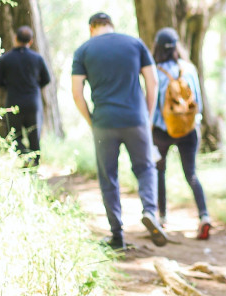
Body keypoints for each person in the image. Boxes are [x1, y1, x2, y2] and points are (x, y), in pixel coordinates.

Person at [72, 12, 168, 250]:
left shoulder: (84, 50)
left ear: (91, 27)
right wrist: (147, 116)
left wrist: (90, 120)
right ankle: (149, 211)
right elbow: (152, 81)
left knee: (109, 178)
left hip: (104, 122)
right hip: (136, 119)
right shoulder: (135, 44)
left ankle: (117, 235)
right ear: (111, 26)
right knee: (146, 168)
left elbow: (76, 92)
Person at [151, 27, 211, 240]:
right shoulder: (189, 69)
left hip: (161, 131)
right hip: (188, 130)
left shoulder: (154, 71)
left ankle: (161, 216)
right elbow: (199, 104)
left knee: (159, 171)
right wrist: (195, 122)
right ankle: (204, 216)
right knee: (191, 173)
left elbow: (151, 105)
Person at [0, 26, 51, 167]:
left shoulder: (5, 59)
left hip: (14, 102)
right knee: (34, 136)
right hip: (33, 102)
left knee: (14, 136)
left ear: (15, 38)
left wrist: (9, 86)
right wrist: (35, 87)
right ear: (30, 41)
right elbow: (47, 79)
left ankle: (25, 157)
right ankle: (34, 165)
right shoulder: (37, 58)